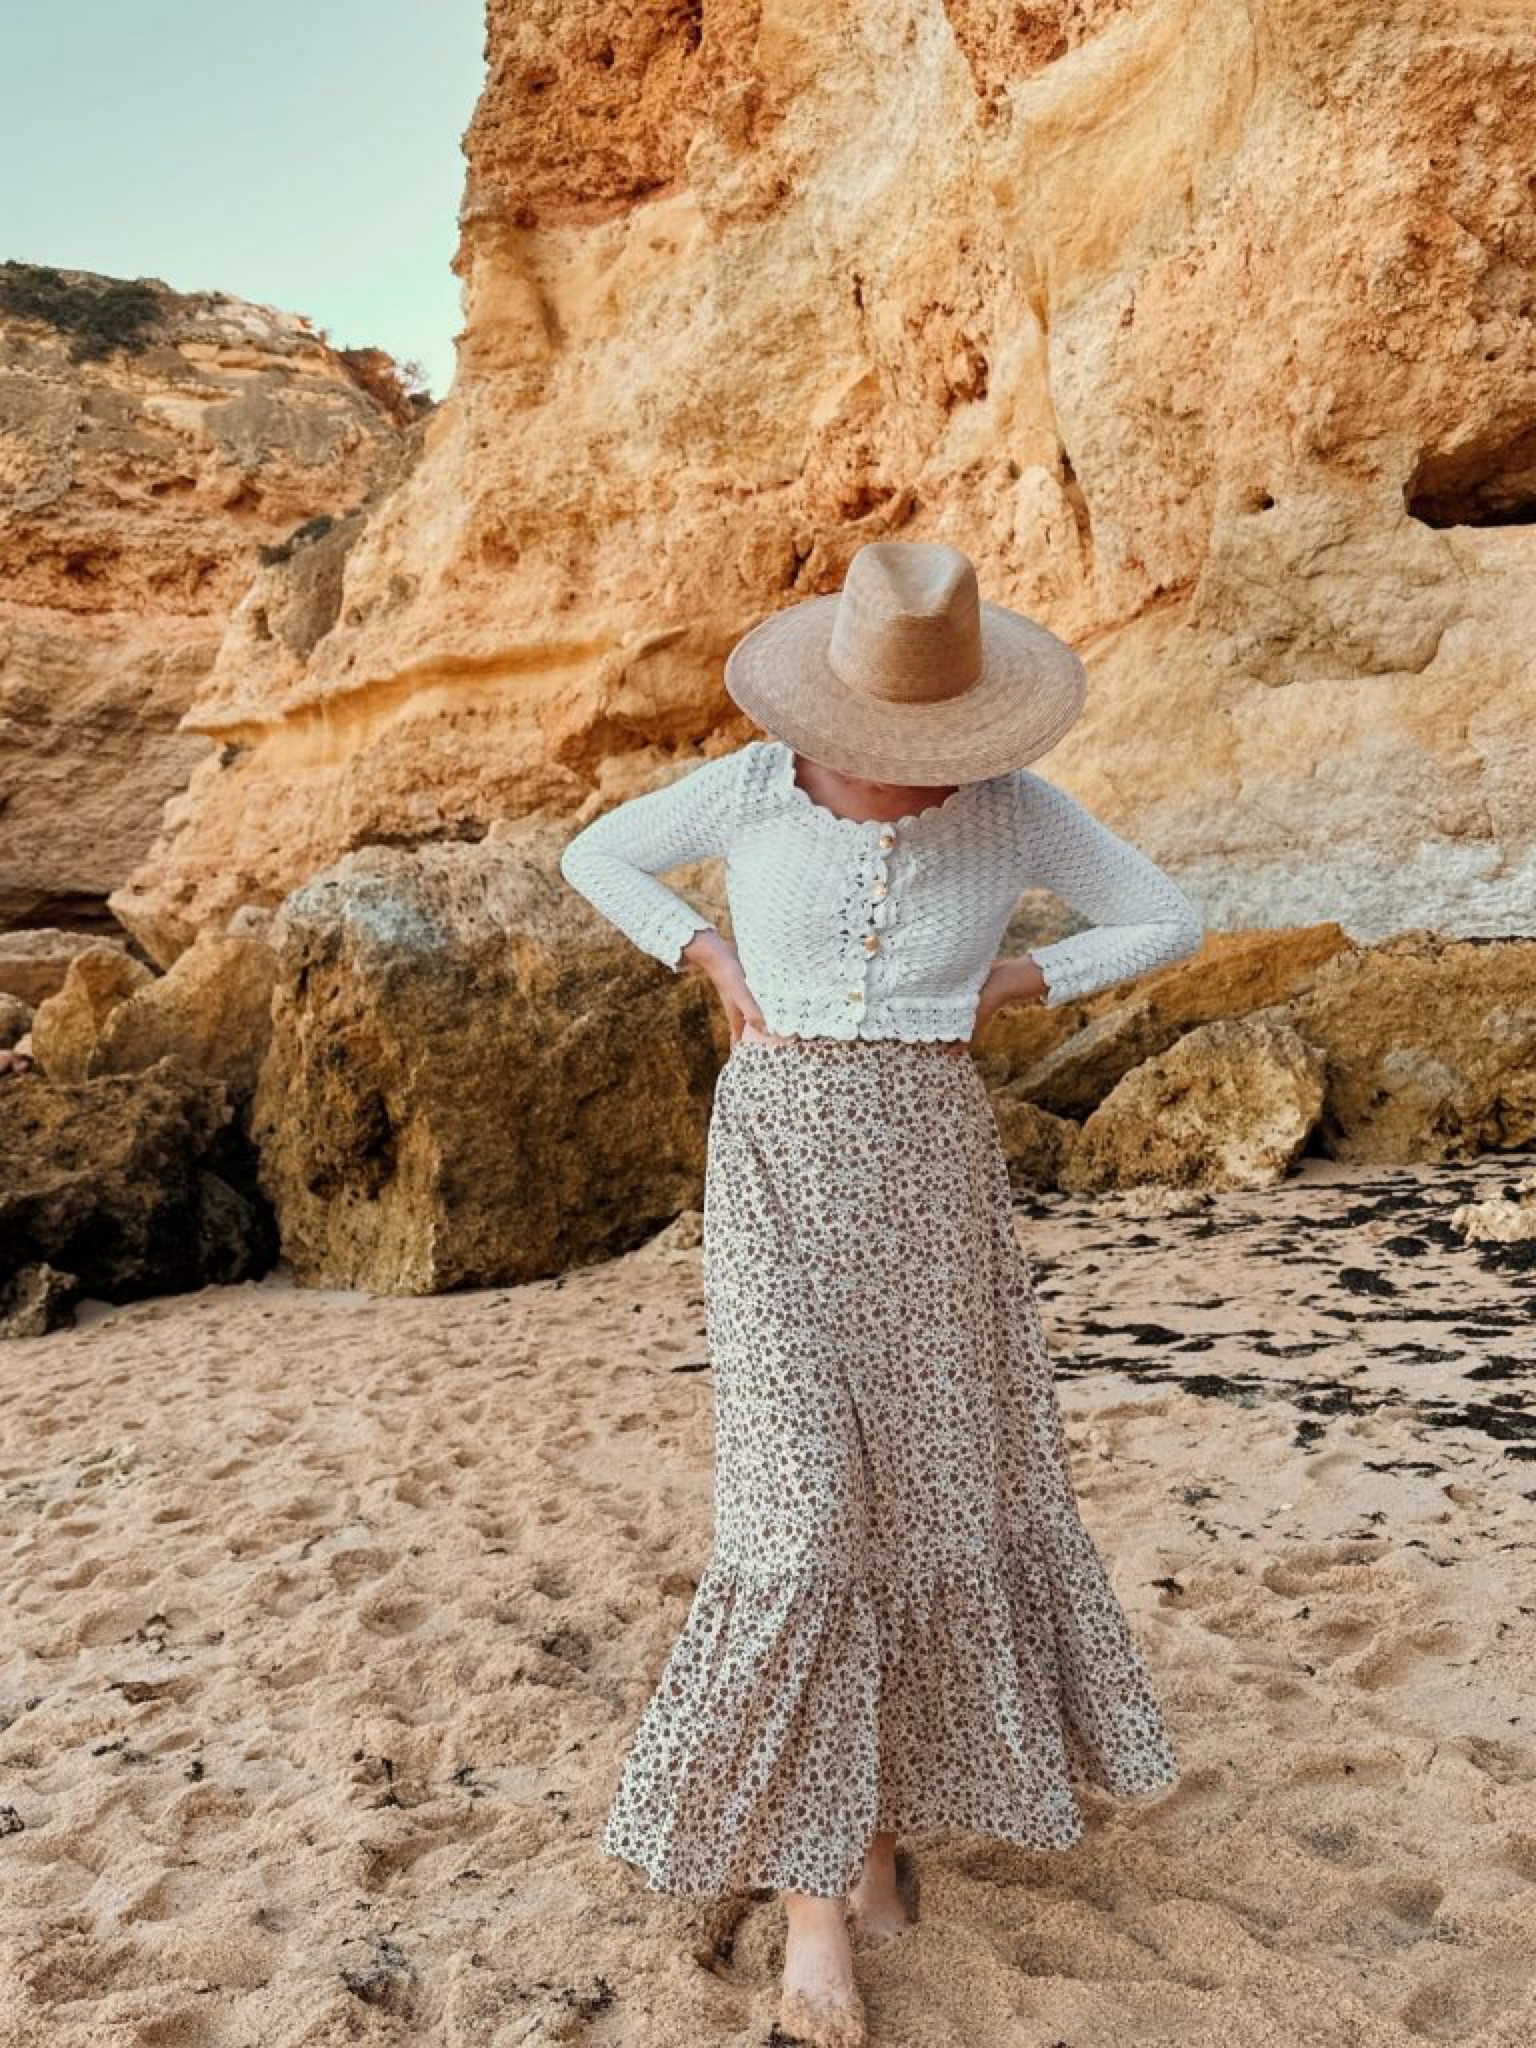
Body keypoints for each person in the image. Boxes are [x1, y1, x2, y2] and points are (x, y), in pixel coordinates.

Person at [558, 539, 1203, 2047]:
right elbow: (595, 856)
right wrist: (704, 948)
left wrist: (1016, 985)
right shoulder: (751, 786)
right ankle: (812, 1918)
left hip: (928, 1173)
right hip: (778, 1163)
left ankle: (871, 1843)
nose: (892, 769)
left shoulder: (1017, 808)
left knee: (915, 1505)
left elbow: (1167, 917)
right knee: (798, 1521)